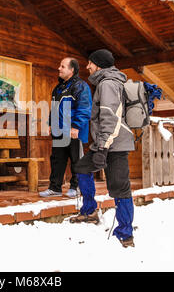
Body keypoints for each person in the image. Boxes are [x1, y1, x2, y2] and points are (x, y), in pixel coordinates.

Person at [72, 49, 136, 248]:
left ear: (98, 65)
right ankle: (90, 211)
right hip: (106, 143)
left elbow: (110, 117)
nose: (88, 67)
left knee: (120, 187)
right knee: (82, 168)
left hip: (113, 146)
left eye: (90, 63)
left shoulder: (108, 83)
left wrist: (102, 148)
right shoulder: (107, 82)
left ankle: (125, 234)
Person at [39, 57, 92, 198]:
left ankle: (76, 187)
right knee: (57, 160)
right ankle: (55, 188)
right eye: (60, 66)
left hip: (74, 131)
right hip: (59, 130)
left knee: (77, 160)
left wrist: (76, 127)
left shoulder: (81, 86)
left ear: (72, 70)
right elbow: (54, 108)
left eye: (63, 66)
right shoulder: (58, 88)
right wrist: (51, 123)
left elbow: (85, 108)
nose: (59, 69)